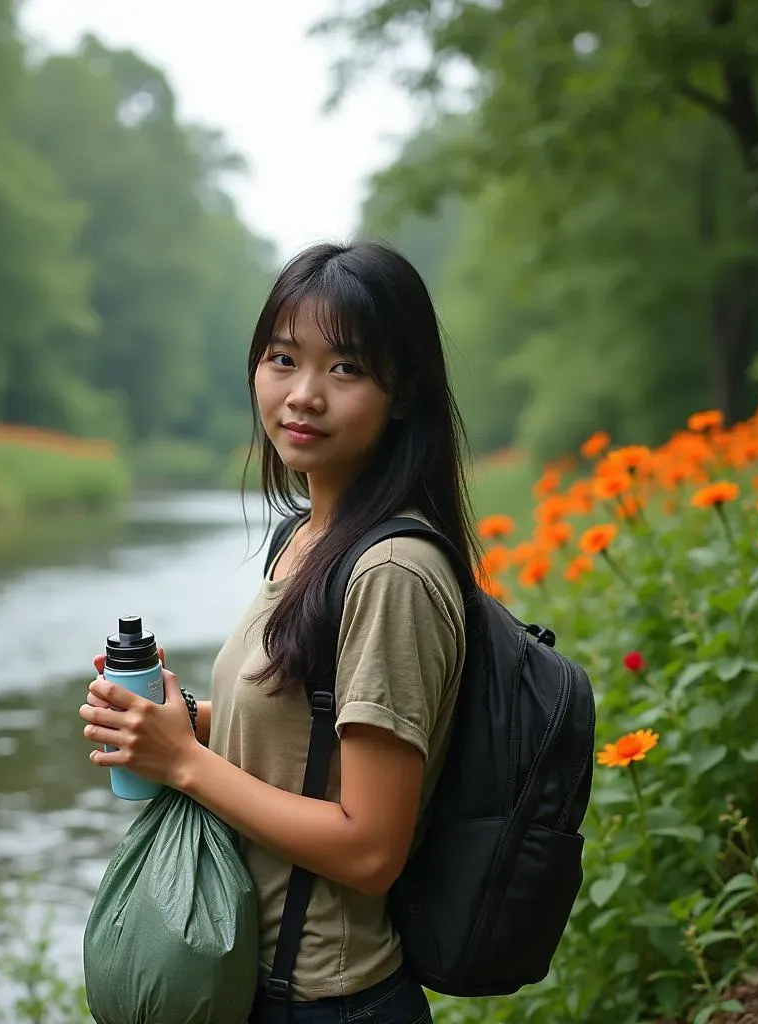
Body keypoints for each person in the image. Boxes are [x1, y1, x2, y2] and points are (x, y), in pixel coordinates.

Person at [79, 240, 481, 1024]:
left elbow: (369, 848)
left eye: (346, 368)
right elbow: (308, 744)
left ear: (403, 392)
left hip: (335, 1001)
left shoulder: (390, 570)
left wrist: (186, 763)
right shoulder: (304, 538)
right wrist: (174, 720)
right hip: (262, 992)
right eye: (282, 358)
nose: (303, 396)